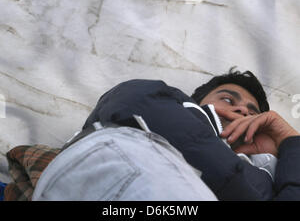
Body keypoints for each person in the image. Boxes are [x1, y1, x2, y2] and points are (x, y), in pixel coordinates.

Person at [32, 68, 300, 201]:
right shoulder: (157, 98)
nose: (242, 109)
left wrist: (287, 143)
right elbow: (134, 103)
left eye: (252, 112)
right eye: (228, 99)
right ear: (194, 104)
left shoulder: (264, 173)